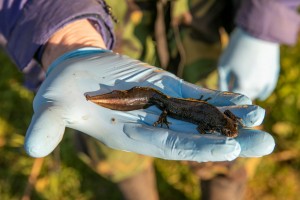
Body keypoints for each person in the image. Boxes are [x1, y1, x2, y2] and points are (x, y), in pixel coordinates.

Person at [0, 0, 276, 199]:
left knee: (222, 157)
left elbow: (211, 121)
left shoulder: (221, 123)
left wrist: (264, 21)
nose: (229, 128)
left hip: (199, 28)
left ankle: (223, 189)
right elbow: (206, 122)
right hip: (121, 34)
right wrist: (70, 36)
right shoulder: (218, 124)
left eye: (229, 128)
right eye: (230, 128)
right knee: (122, 142)